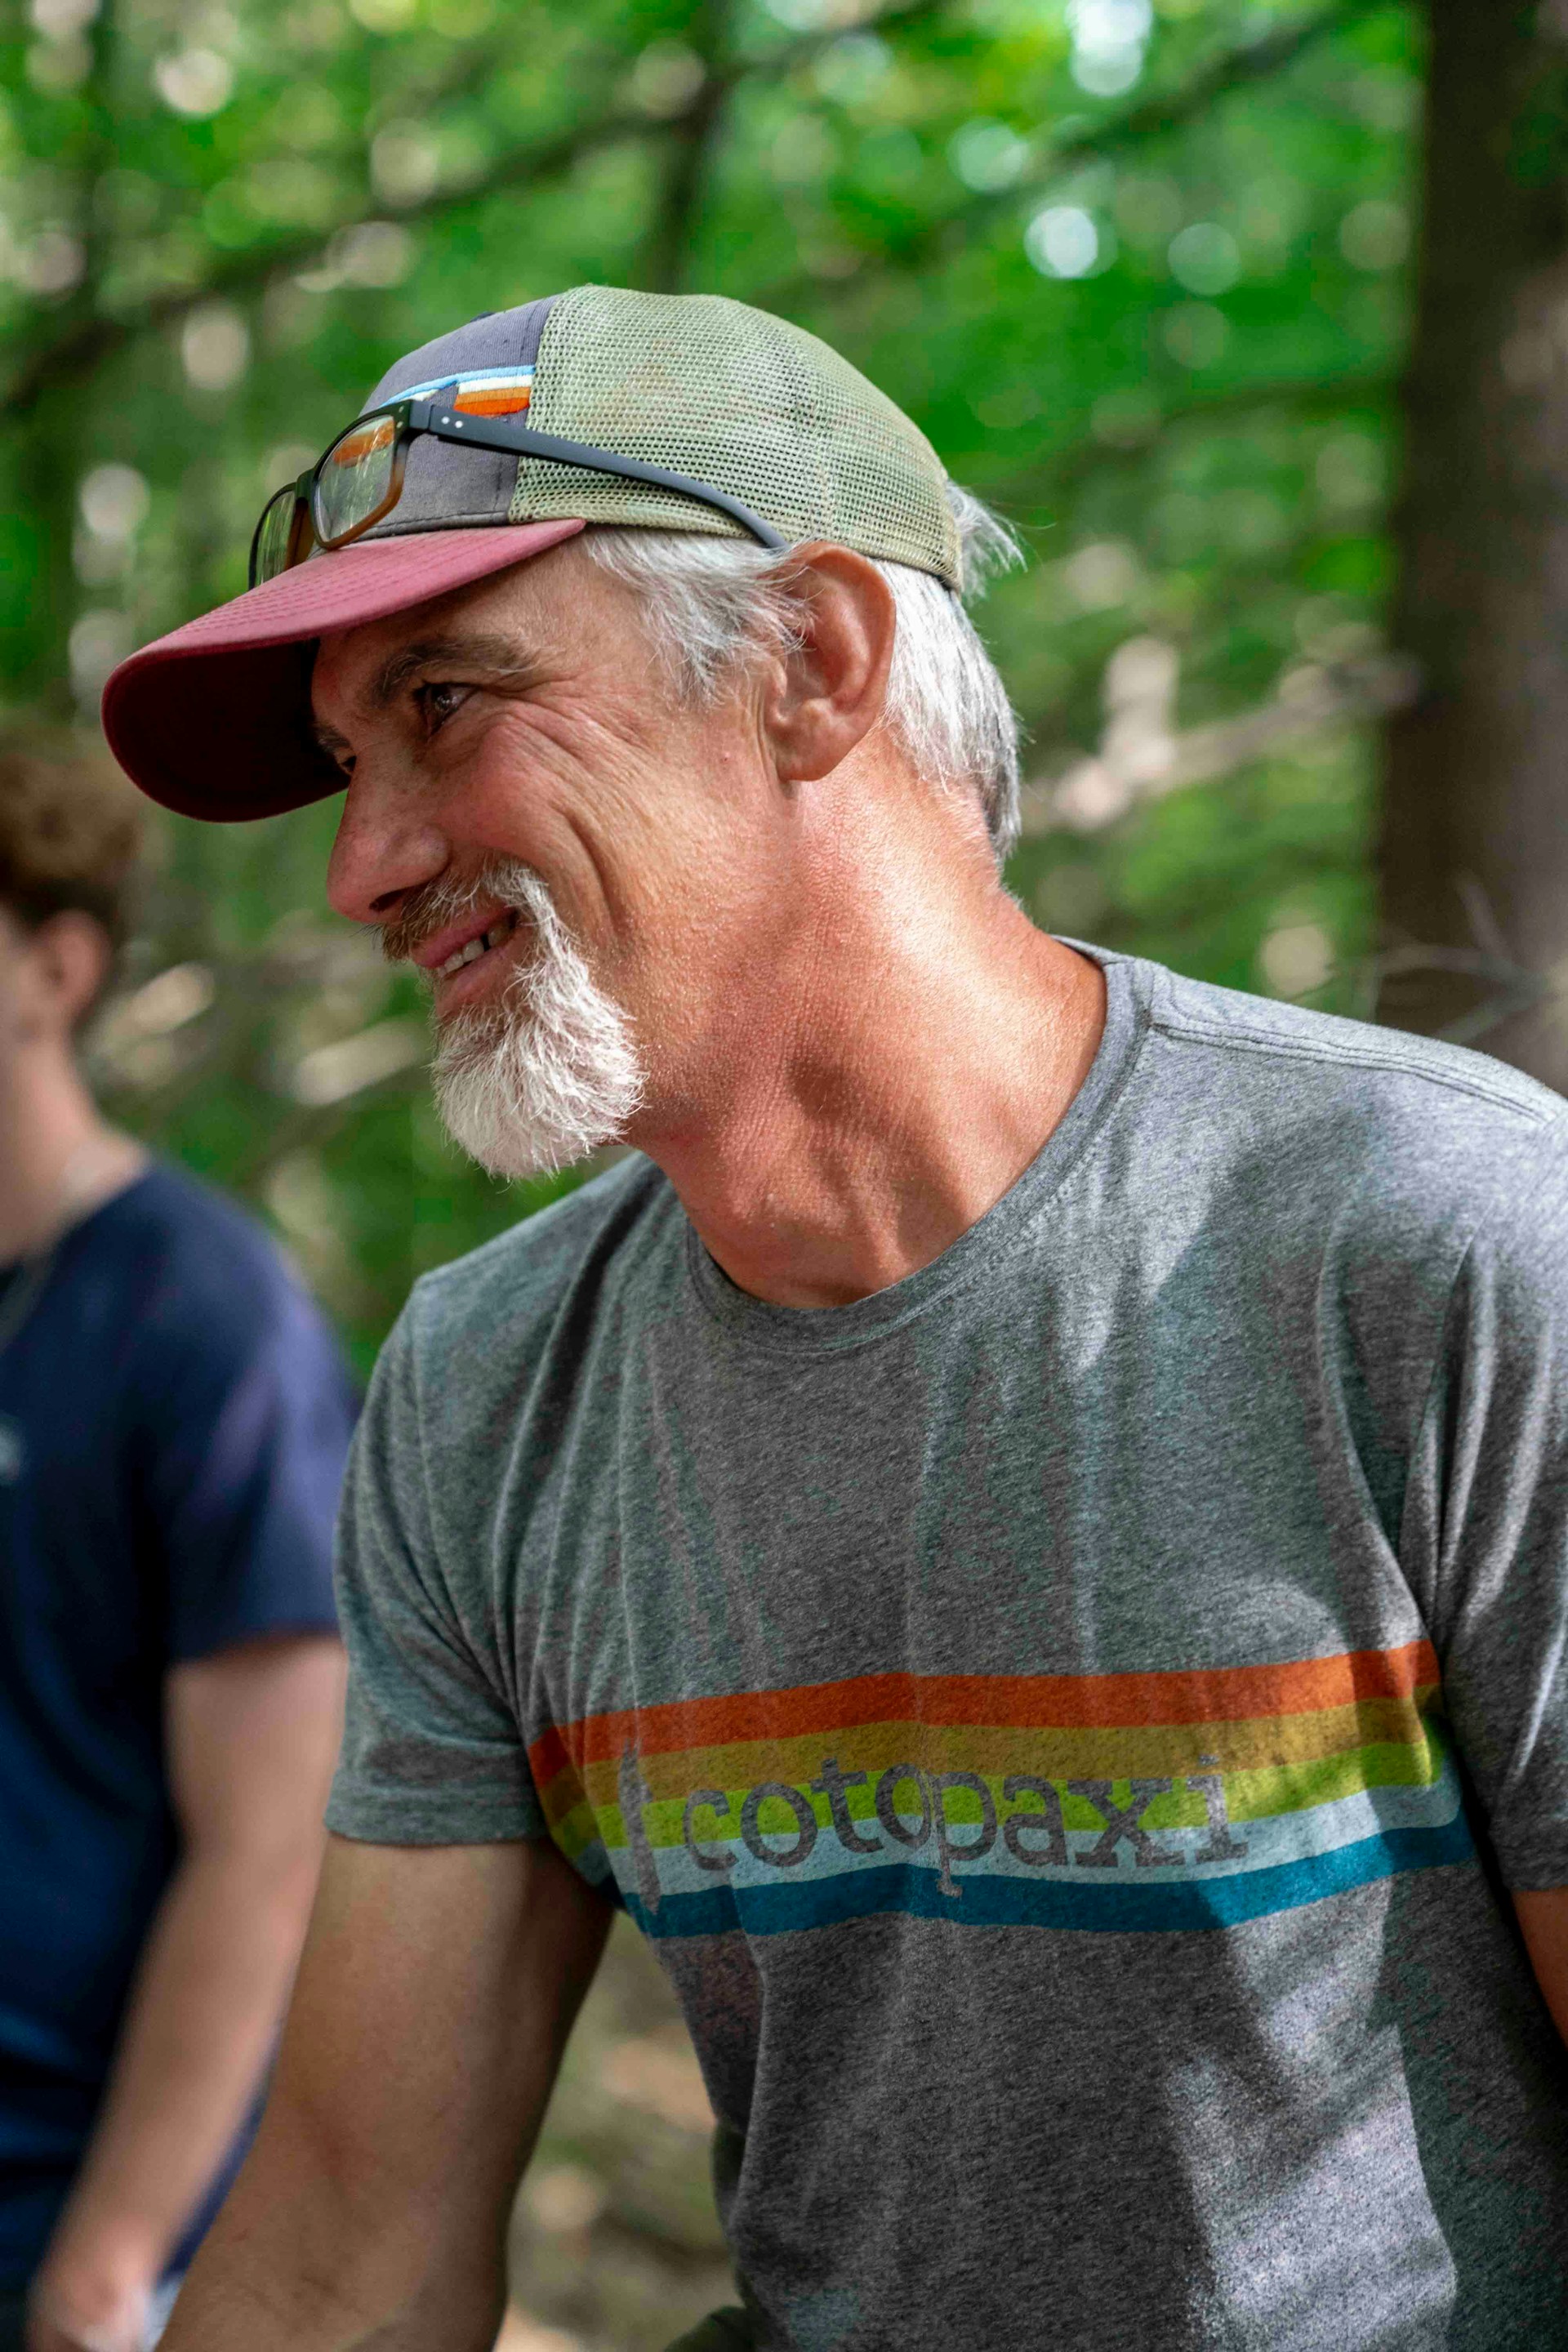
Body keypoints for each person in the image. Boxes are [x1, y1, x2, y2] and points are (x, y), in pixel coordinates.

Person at [103, 286, 1568, 2351]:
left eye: (447, 704)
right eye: (349, 760)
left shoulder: (1441, 1233)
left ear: (810, 663)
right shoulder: (487, 1388)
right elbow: (350, 2235)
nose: (366, 863)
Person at [0, 751, 357, 2352]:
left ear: (52, 970)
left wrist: (110, 2258)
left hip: (62, 2218)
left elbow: (272, 1851)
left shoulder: (204, 1317)